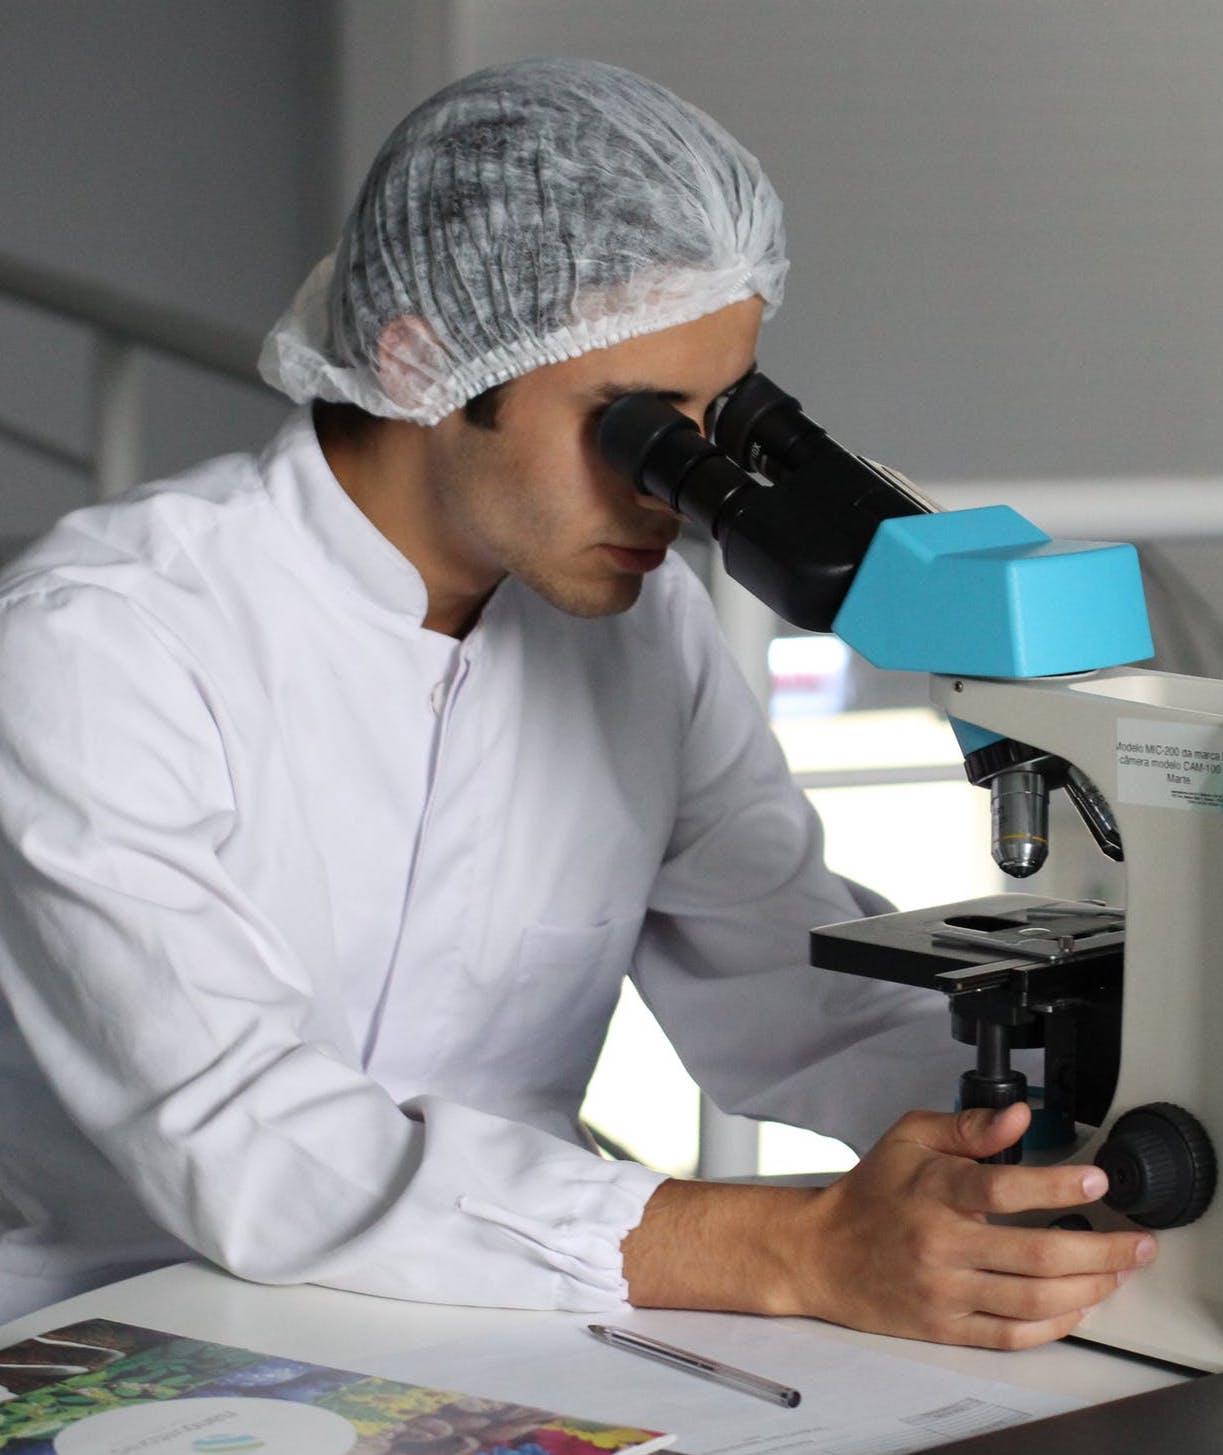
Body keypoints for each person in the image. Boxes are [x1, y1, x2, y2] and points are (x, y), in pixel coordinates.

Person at [0, 58, 1154, 1343]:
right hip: (111, 1329)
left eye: (719, 425)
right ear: (425, 358)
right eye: (637, 429)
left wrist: (1068, 1128)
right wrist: (794, 1250)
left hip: (508, 1326)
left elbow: (795, 989)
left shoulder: (643, 637)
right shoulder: (105, 644)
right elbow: (246, 1140)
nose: (677, 490)